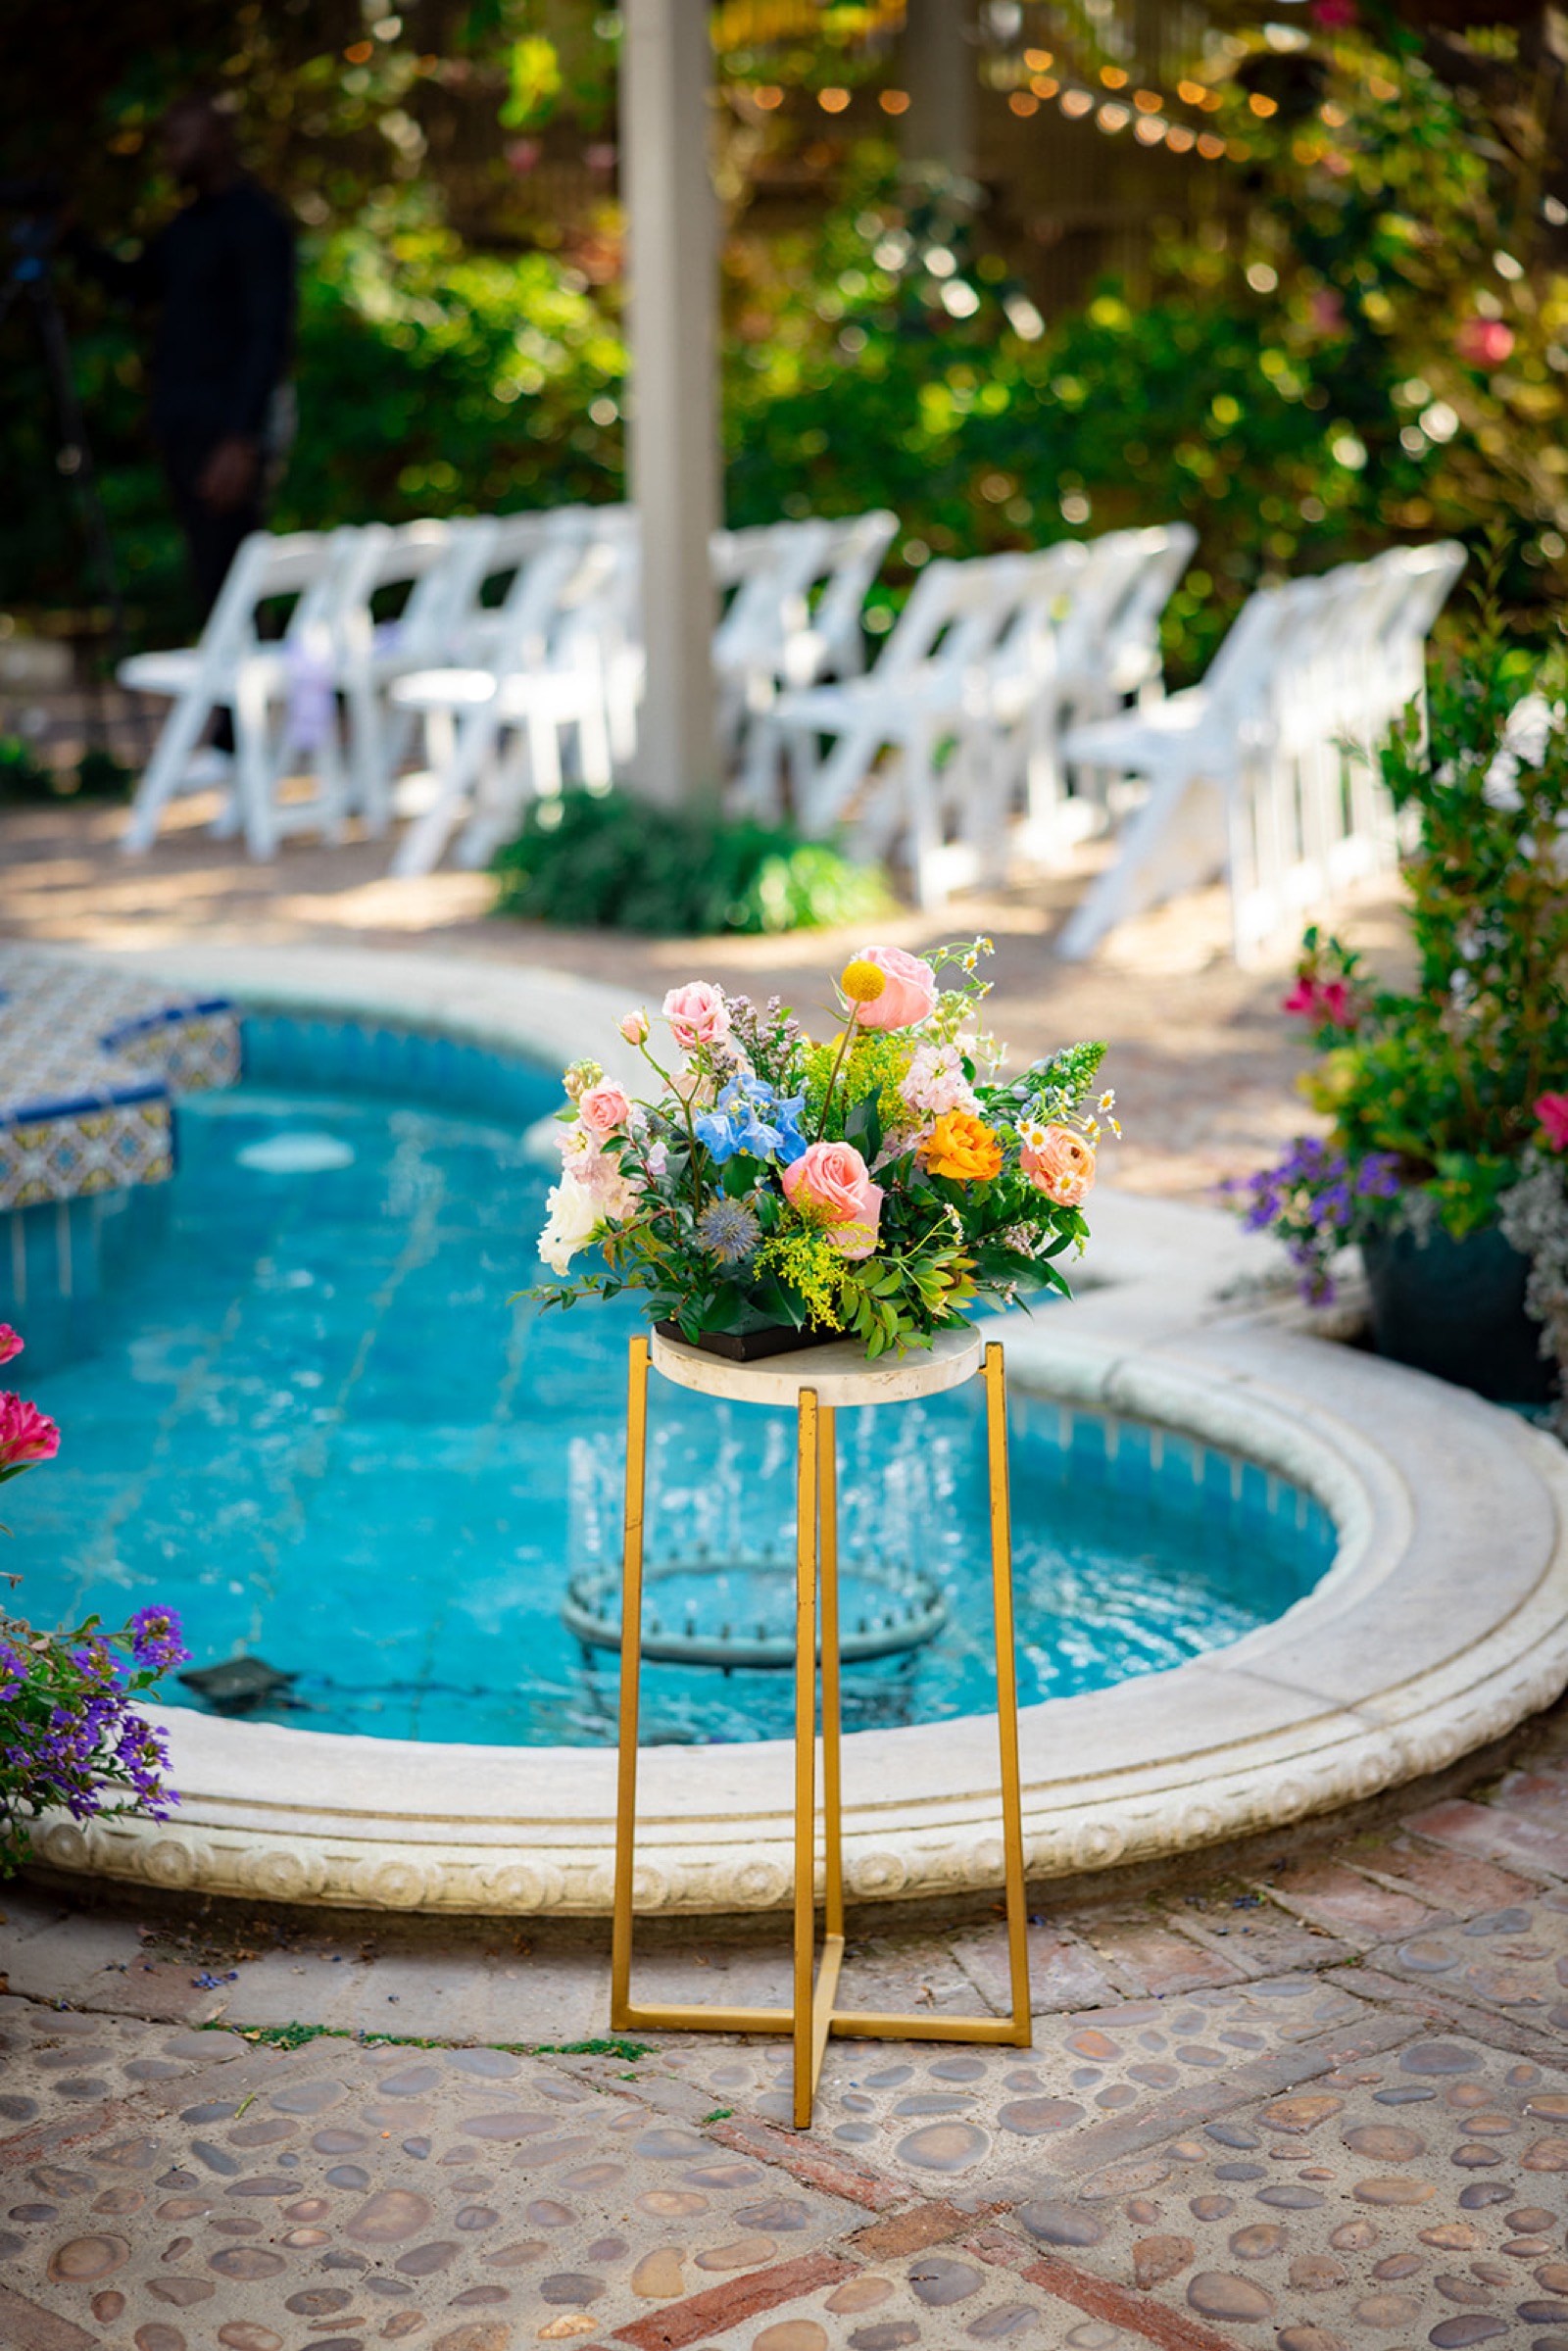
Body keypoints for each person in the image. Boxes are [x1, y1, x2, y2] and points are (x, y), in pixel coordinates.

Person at [73, 92, 296, 620]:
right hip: (185, 425)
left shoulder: (256, 223)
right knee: (208, 575)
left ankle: (238, 698)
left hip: (229, 435)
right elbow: (135, 287)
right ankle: (229, 699)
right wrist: (73, 240)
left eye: (178, 140)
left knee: (234, 575)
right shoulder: (186, 226)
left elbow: (270, 337)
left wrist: (240, 441)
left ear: (217, 139)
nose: (168, 155)